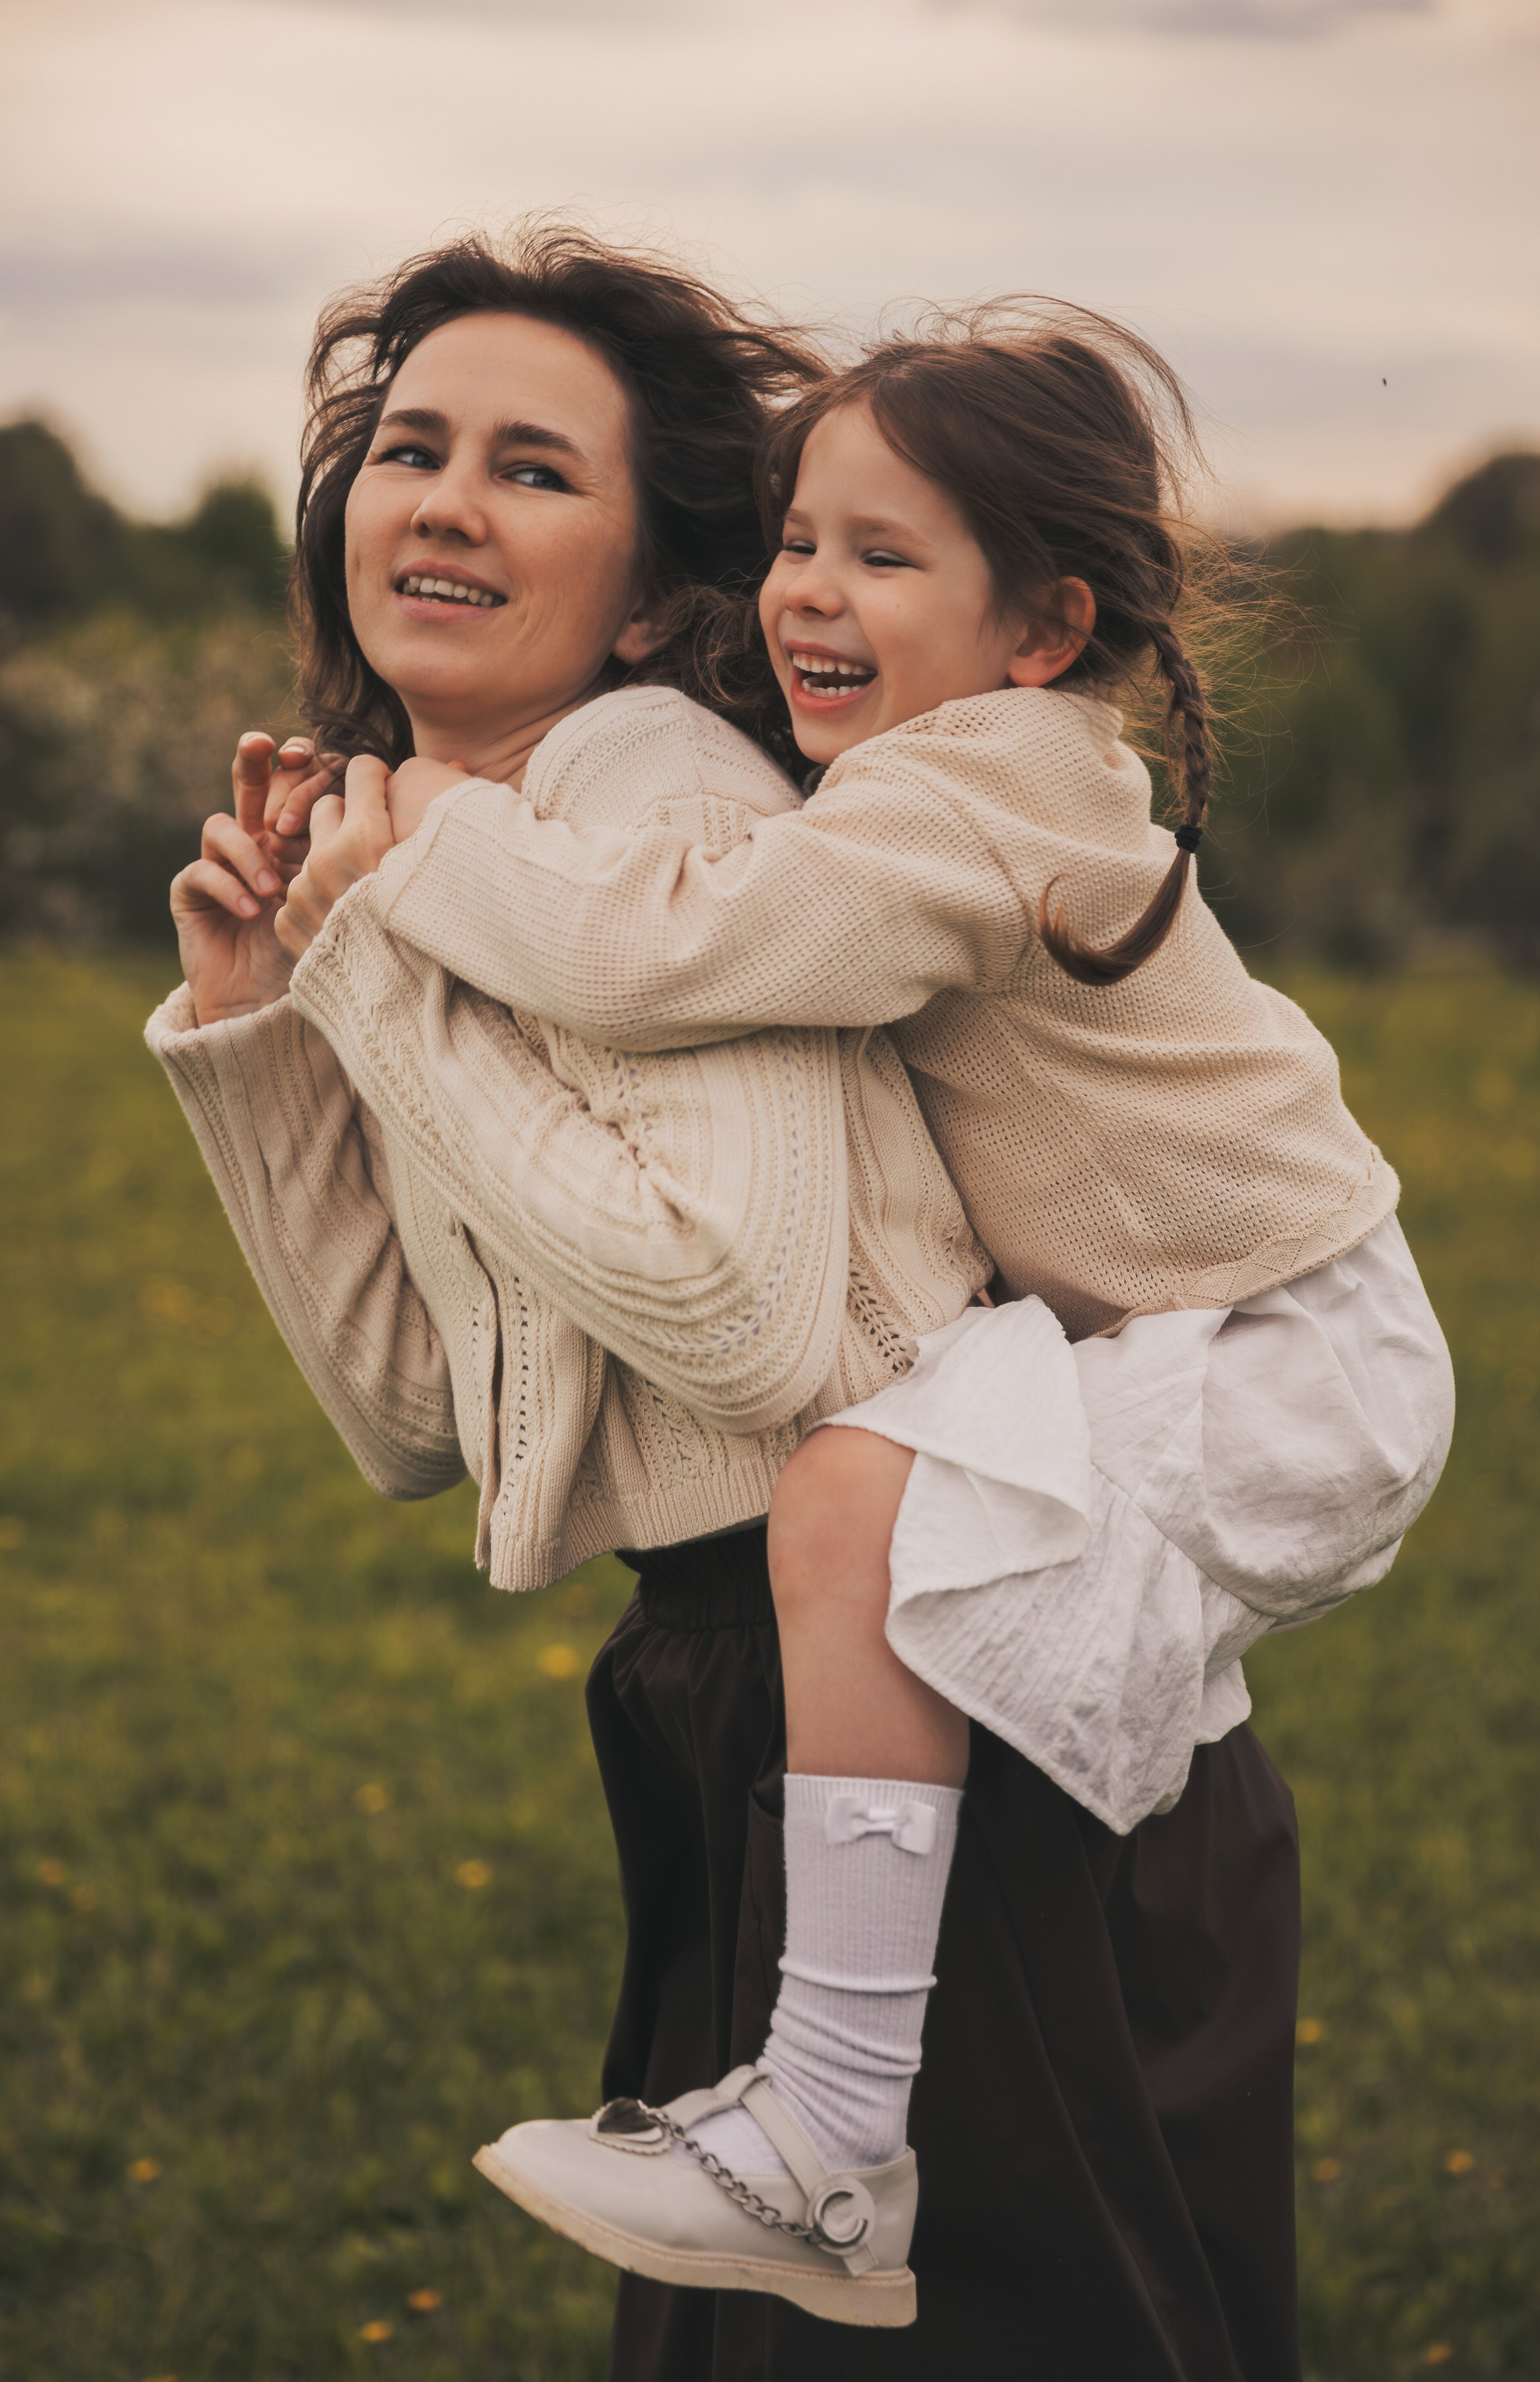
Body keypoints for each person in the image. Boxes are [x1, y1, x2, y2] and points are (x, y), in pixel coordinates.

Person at [309, 306, 1453, 2365]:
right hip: (1206, 1334)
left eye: (883, 555)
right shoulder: (943, 783)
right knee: (873, 1516)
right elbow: (416, 1398)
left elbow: (669, 949)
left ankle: (836, 2128)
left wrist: (420, 851)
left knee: (856, 1500)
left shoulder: (963, 798)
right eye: (796, 542)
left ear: (1044, 630)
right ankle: (847, 2117)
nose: (809, 593)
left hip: (1294, 1349)